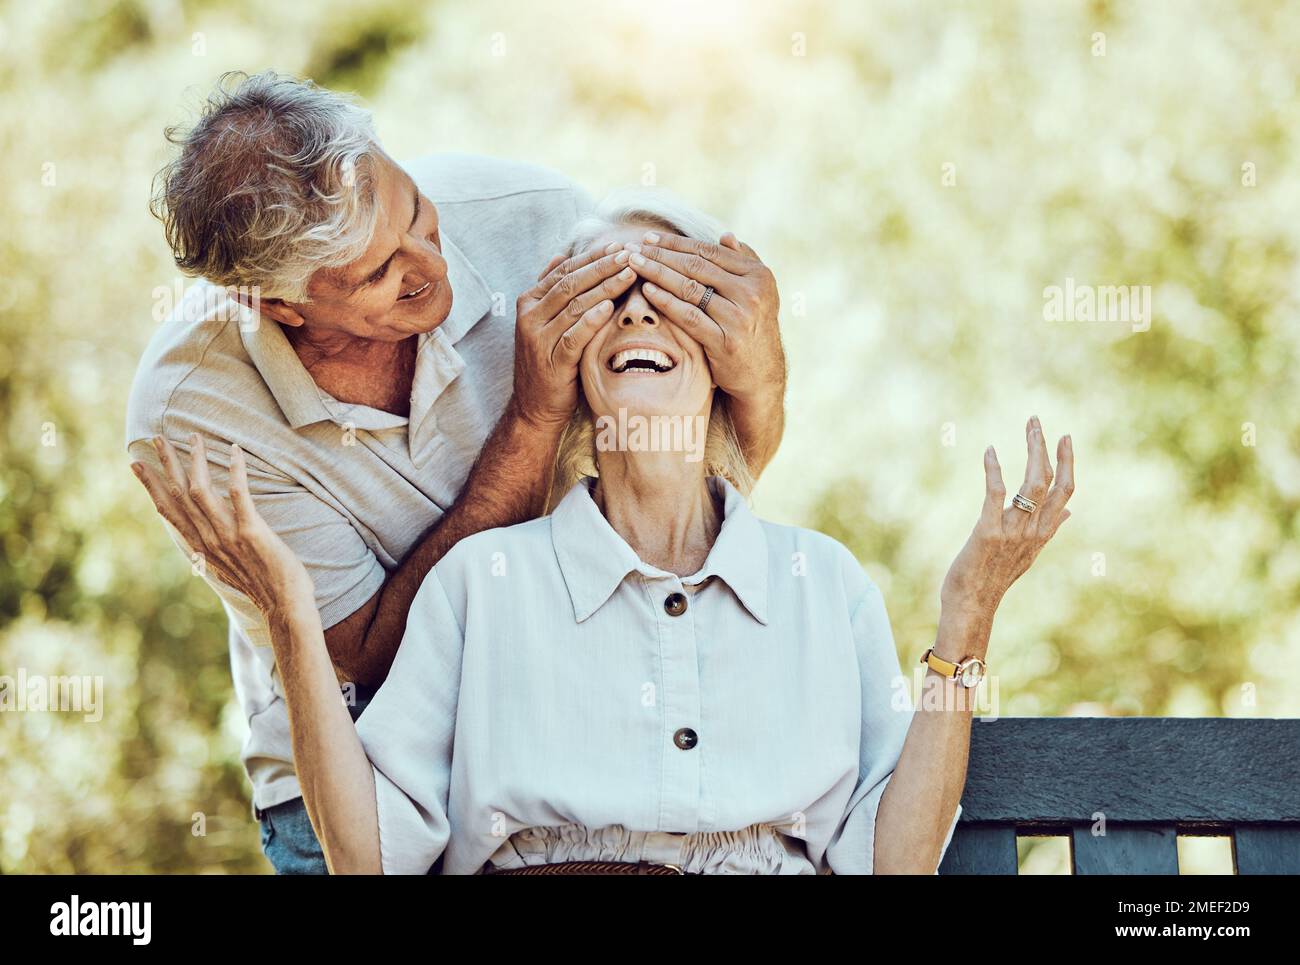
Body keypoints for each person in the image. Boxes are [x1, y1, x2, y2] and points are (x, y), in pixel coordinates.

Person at [134, 191, 1076, 874]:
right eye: (606, 291)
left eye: (668, 293)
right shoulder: (478, 583)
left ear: (723, 355)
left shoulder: (823, 583)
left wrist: (969, 614)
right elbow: (371, 857)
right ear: (566, 361)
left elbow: (891, 863)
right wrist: (289, 614)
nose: (633, 308)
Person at [126, 72, 786, 873]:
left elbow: (705, 461)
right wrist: (533, 421)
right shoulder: (193, 419)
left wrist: (760, 372)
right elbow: (371, 656)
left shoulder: (533, 219)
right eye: (376, 276)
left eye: (412, 212)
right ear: (281, 307)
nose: (427, 266)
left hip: (557, 721)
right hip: (359, 752)